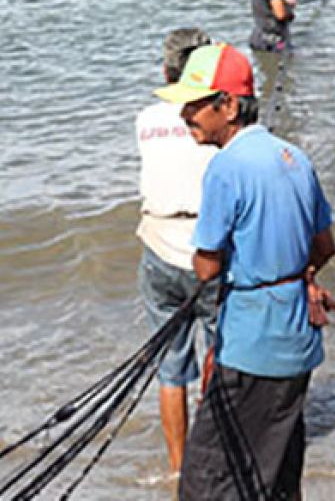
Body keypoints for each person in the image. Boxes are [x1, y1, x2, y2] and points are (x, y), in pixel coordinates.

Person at [158, 43, 335, 500]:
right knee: (277, 467)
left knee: (207, 481)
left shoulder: (226, 168)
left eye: (196, 105)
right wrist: (297, 275)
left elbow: (206, 267)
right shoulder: (295, 158)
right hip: (298, 341)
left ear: (229, 105)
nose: (186, 115)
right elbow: (324, 245)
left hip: (251, 346)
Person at [135, 27, 221, 472]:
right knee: (216, 354)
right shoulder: (214, 121)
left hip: (157, 247)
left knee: (170, 371)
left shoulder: (146, 119)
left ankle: (177, 468)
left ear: (168, 69)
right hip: (206, 253)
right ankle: (213, 455)